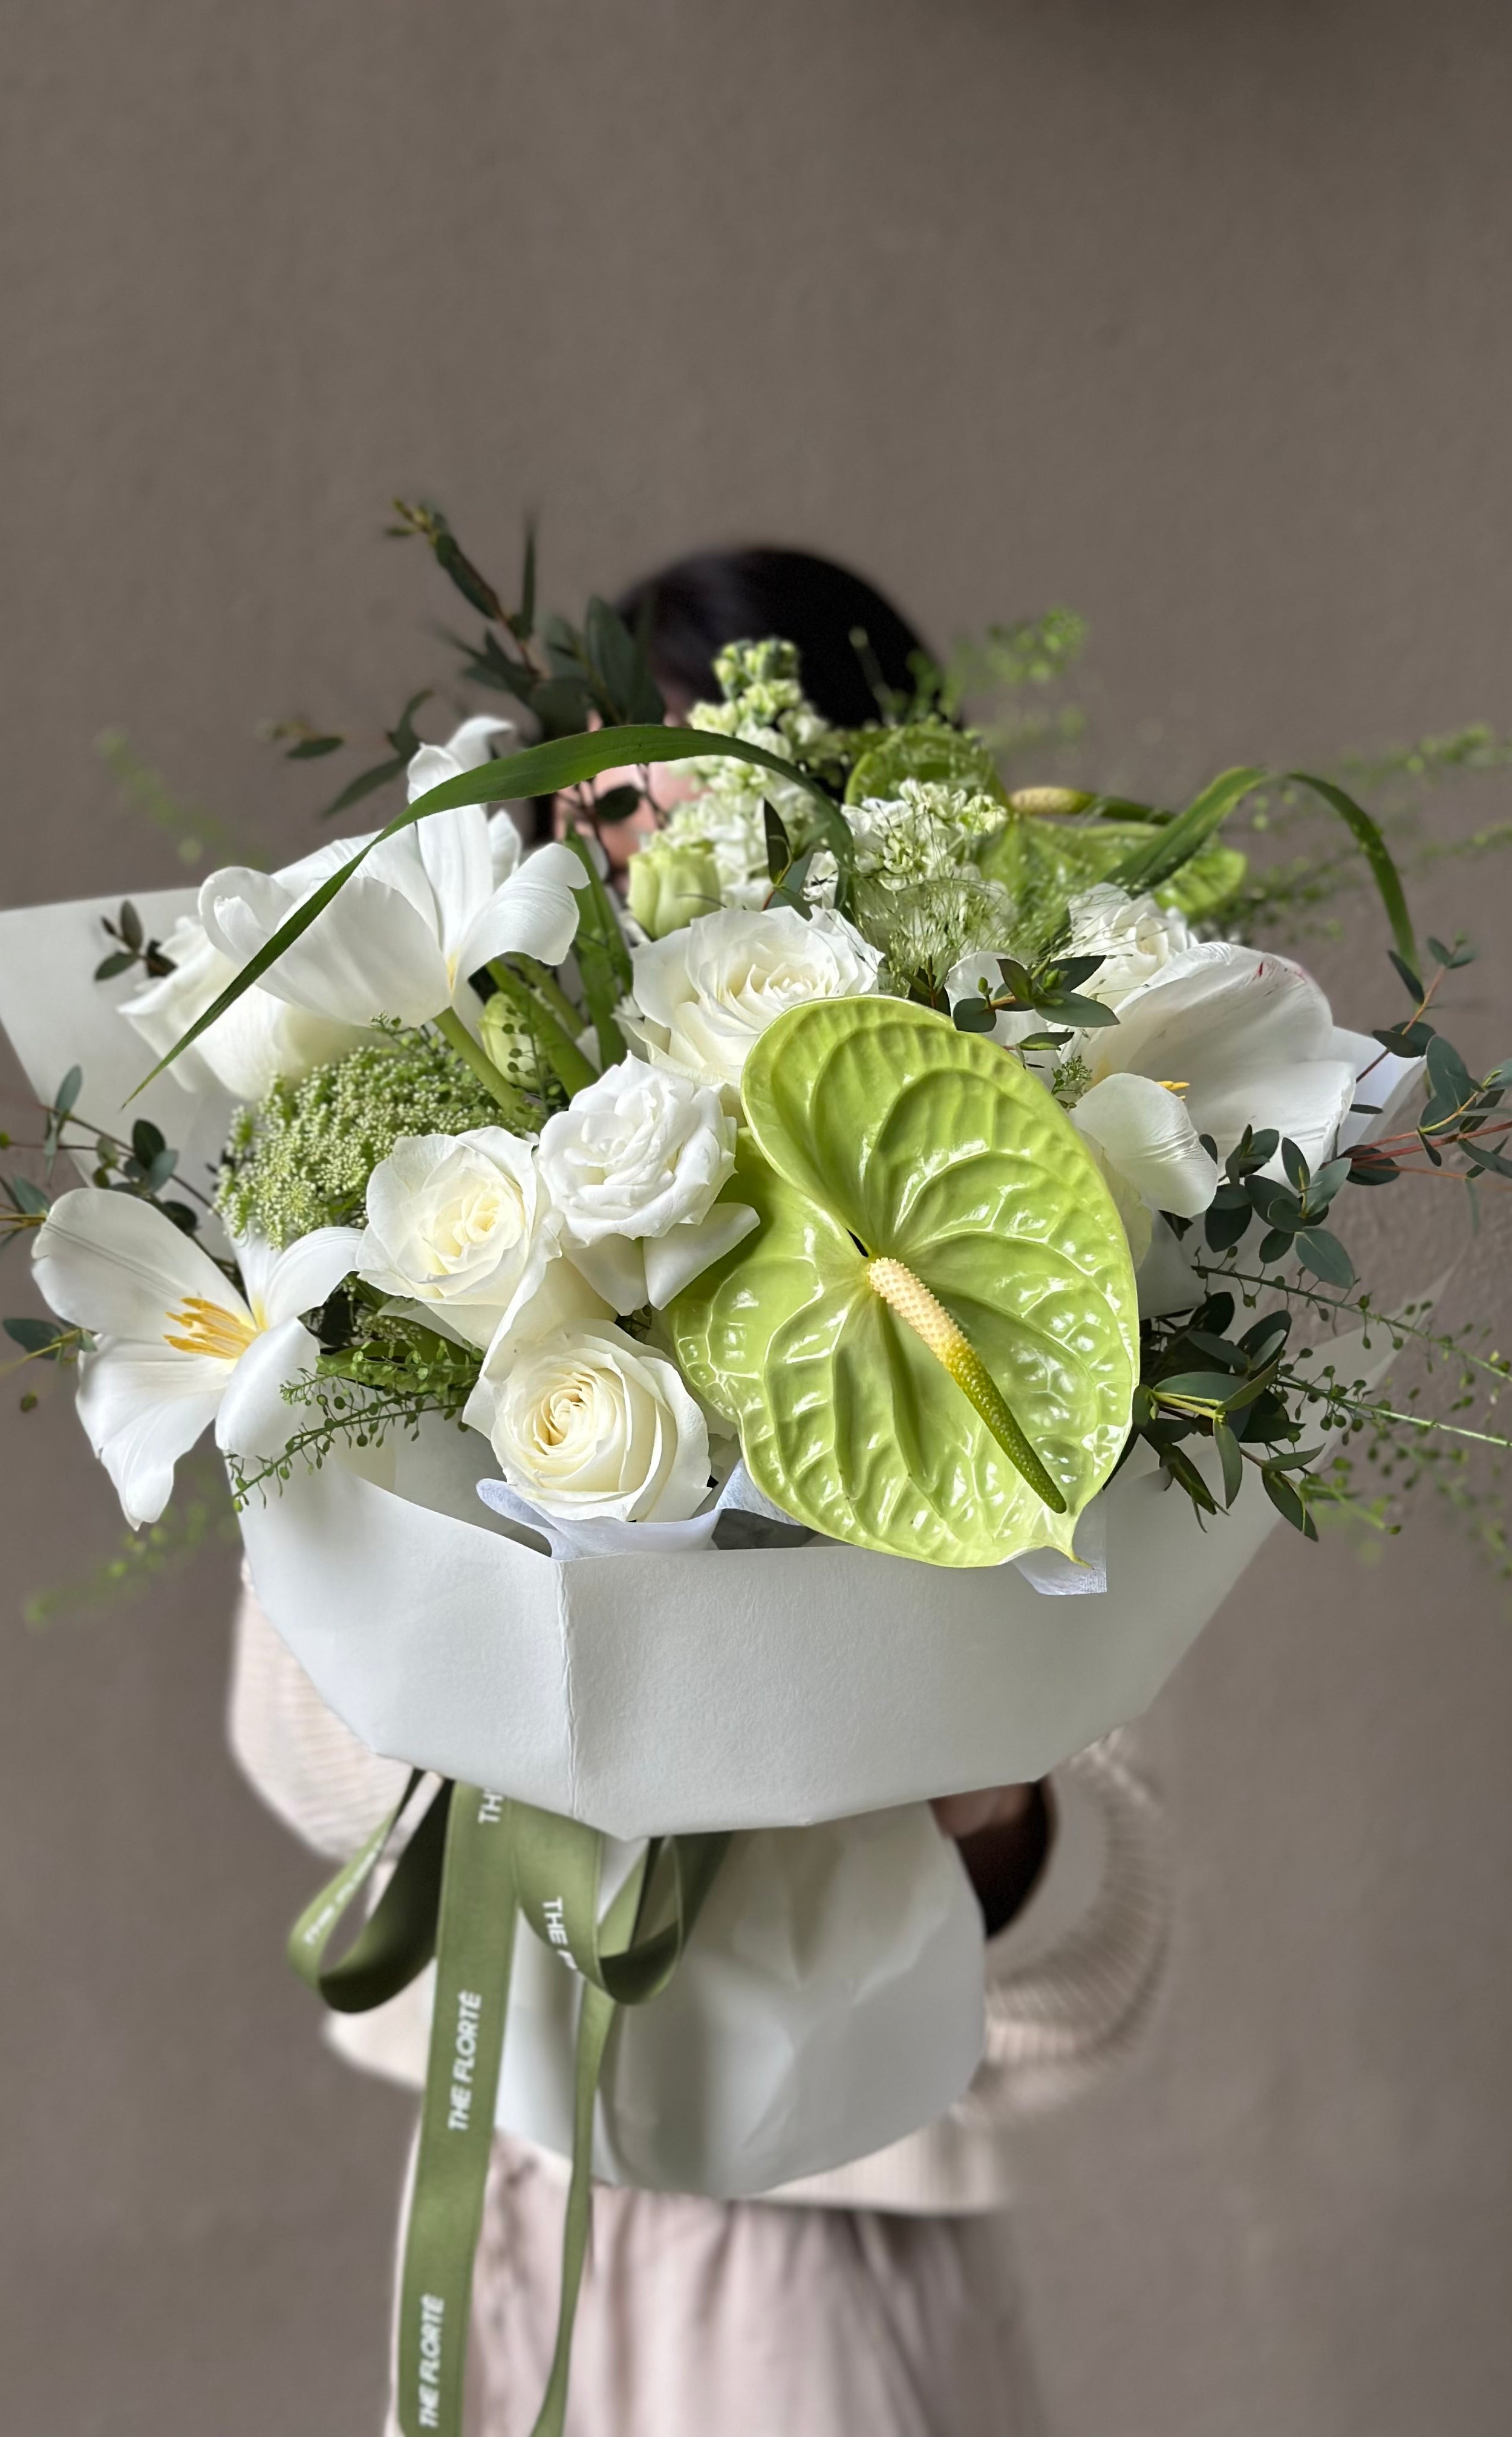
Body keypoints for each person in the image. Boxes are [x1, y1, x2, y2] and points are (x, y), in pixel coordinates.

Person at [228, 546, 1171, 2436]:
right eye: (590, 791)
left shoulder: (1014, 1256)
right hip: (506, 2205)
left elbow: (1101, 1981)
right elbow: (293, 1744)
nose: (622, 835)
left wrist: (978, 1807)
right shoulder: (428, 1212)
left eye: (691, 777)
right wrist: (528, 1732)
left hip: (819, 2273)